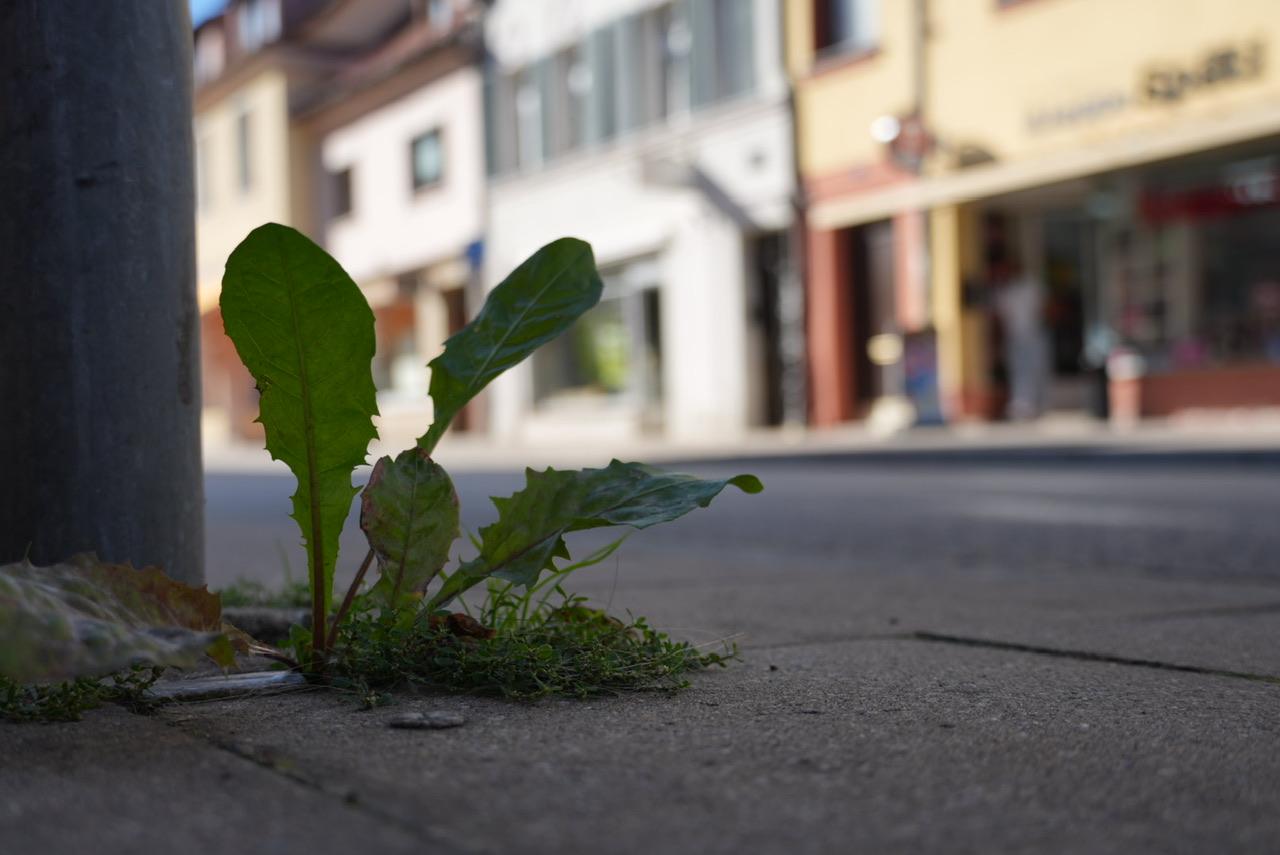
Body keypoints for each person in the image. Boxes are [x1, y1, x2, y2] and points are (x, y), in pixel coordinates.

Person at [990, 252, 1050, 420]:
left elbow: (1044, 309)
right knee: (1019, 371)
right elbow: (1001, 317)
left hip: (1033, 333)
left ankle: (1039, 405)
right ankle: (1023, 406)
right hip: (1015, 336)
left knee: (1037, 369)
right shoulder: (1005, 291)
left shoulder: (1031, 286)